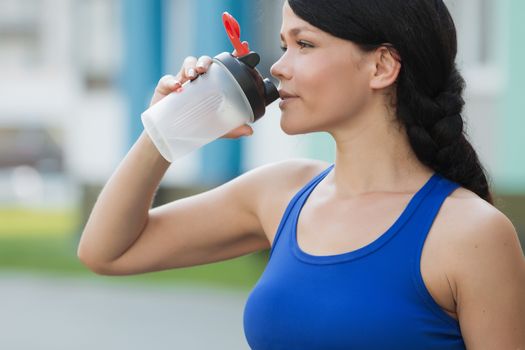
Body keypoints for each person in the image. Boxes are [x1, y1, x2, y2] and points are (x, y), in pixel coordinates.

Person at [78, 0, 525, 348]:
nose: (277, 66)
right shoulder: (281, 193)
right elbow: (107, 252)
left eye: (304, 44)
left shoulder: (472, 233)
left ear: (382, 65)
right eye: (284, 43)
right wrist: (166, 130)